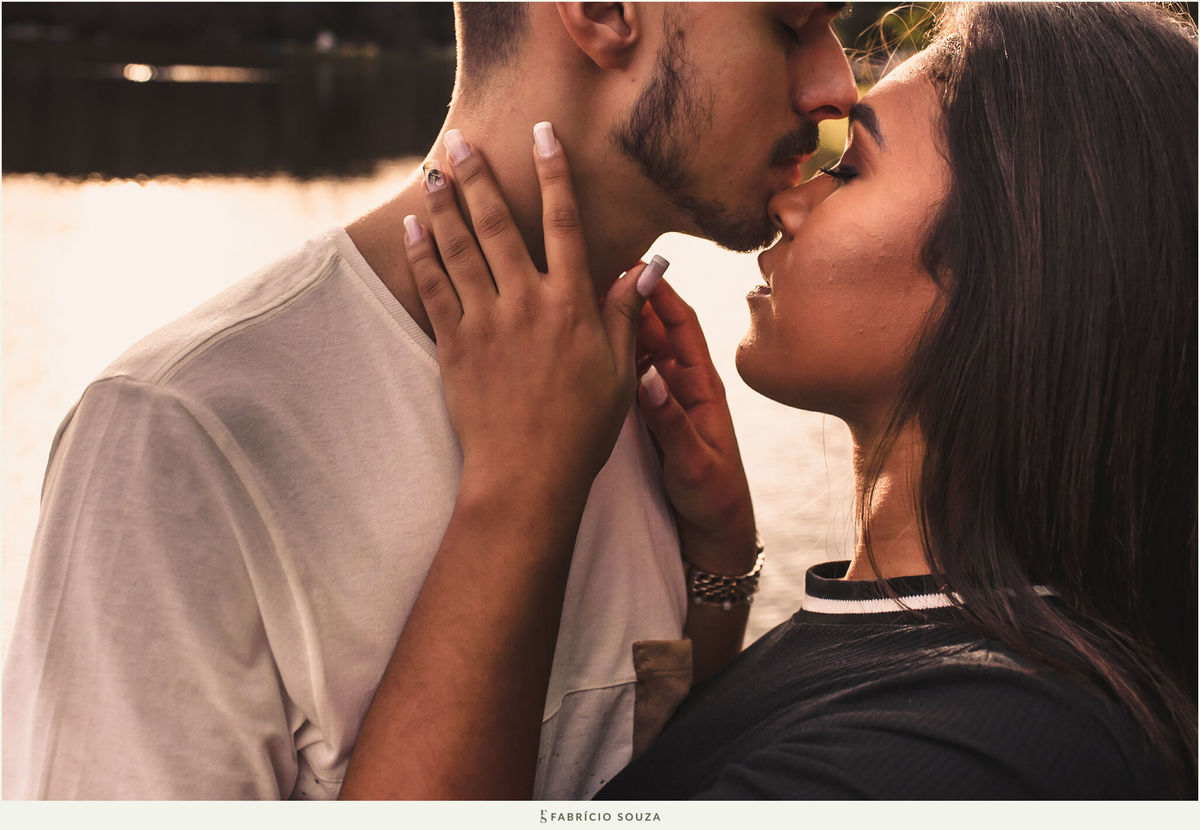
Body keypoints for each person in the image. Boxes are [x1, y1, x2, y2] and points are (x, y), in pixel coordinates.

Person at [339, 2, 1197, 799]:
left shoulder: (981, 746)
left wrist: (522, 486)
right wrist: (721, 567)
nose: (788, 201)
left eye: (847, 170)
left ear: (1017, 272)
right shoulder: (943, 655)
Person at [2, 3, 856, 799]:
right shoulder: (176, 438)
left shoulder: (640, 389)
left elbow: (639, 780)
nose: (839, 88)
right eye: (791, 25)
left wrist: (720, 568)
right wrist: (523, 490)